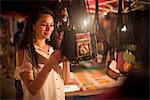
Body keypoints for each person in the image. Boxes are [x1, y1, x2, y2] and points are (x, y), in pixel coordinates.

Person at [14, 6, 70, 100]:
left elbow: (65, 81)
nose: (49, 29)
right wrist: (49, 64)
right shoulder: (24, 52)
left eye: (51, 25)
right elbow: (32, 89)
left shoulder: (54, 50)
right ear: (33, 26)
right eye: (44, 25)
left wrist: (67, 60)